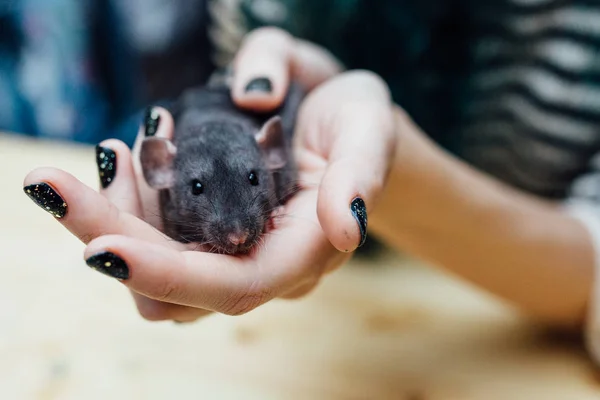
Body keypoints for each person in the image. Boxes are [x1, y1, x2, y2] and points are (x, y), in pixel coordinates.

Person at [21, 1, 600, 365]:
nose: (235, 228)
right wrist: (291, 80)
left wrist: (394, 166)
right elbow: (234, 112)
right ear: (157, 165)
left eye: (254, 181)